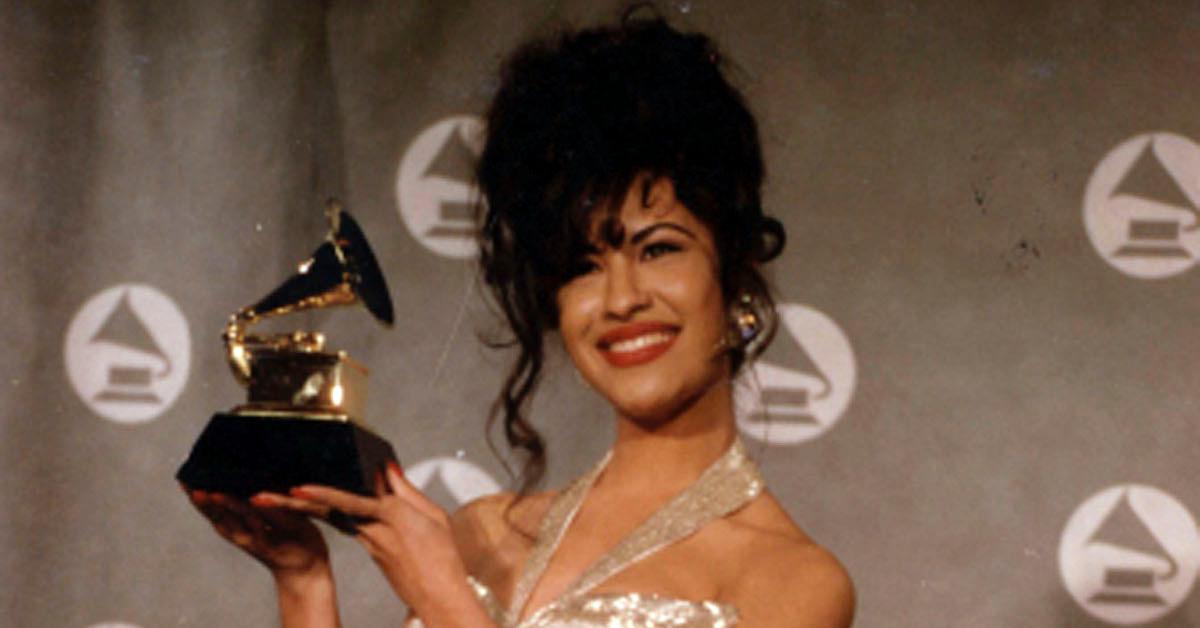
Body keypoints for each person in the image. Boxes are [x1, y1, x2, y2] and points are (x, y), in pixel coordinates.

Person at [185, 11, 854, 627]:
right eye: (582, 266)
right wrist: (303, 581)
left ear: (734, 276)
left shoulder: (793, 584)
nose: (621, 298)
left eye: (657, 249)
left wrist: (447, 603)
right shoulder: (480, 534)